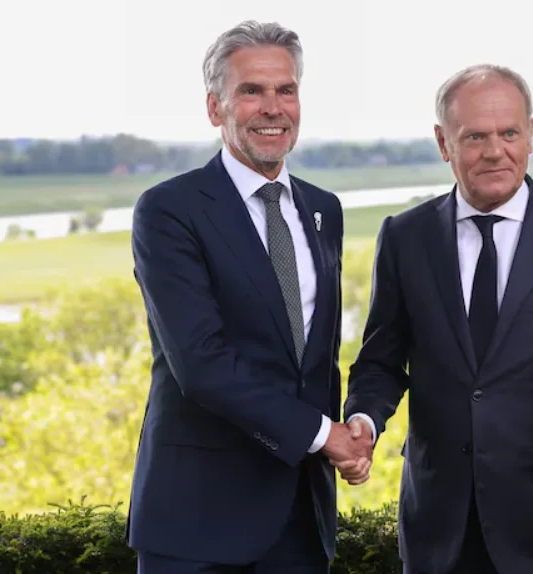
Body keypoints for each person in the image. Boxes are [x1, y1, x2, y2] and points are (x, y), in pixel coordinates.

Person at [341, 64, 533, 573]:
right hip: (438, 531)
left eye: (509, 133)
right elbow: (380, 362)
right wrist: (363, 420)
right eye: (475, 137)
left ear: (530, 134)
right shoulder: (405, 237)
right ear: (444, 143)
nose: (495, 151)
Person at [126, 20, 371, 574]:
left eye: (286, 90)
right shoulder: (169, 211)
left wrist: (353, 432)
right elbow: (201, 364)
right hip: (197, 521)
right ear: (215, 107)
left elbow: (313, 360)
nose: (273, 108)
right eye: (252, 91)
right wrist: (323, 435)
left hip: (301, 520)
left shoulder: (324, 210)